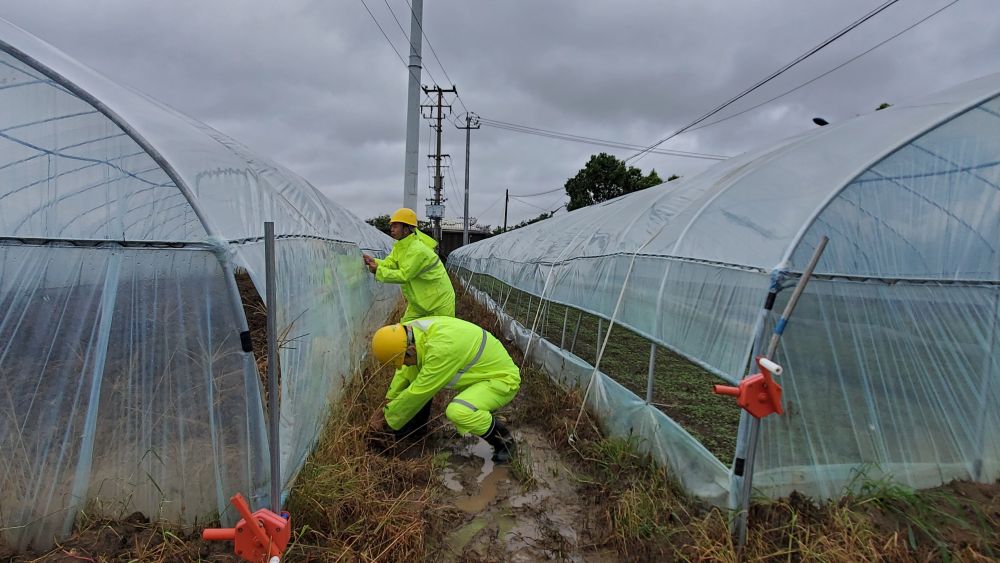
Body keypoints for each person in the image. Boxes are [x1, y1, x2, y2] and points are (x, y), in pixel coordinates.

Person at [369, 316, 520, 462]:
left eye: (404, 361)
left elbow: (420, 391)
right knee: (415, 375)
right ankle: (415, 432)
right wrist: (389, 400)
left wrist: (386, 419)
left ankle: (505, 443)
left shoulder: (441, 350)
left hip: (501, 379)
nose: (404, 365)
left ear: (411, 350)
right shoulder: (410, 333)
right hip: (482, 373)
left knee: (459, 411)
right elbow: (405, 373)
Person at [362, 208, 455, 323]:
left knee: (440, 337)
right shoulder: (400, 246)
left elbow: (404, 275)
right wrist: (374, 262)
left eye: (395, 226)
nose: (391, 229)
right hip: (420, 303)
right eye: (392, 226)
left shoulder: (417, 250)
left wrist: (378, 270)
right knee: (405, 332)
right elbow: (390, 263)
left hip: (439, 303)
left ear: (406, 229)